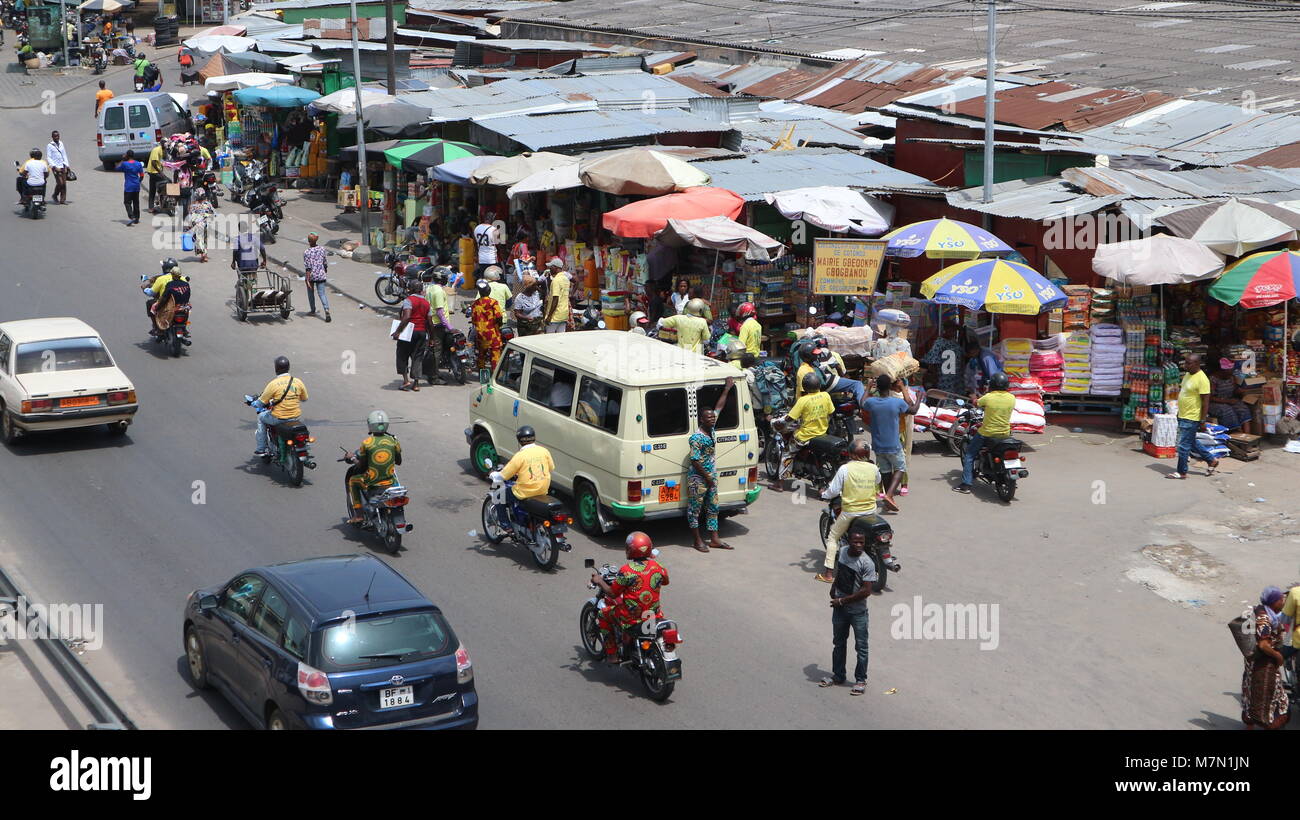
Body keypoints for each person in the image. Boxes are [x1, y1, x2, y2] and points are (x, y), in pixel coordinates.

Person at [820, 440, 896, 584]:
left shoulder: (845, 469)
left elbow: (834, 490)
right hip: (870, 510)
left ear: (852, 454)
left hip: (851, 512)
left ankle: (828, 574)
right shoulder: (873, 468)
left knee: (832, 537)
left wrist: (824, 494)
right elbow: (877, 481)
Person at [590, 532, 670, 664]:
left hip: (631, 618)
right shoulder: (658, 567)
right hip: (654, 615)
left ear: (630, 550)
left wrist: (599, 581)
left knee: (603, 614)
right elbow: (665, 581)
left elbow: (612, 593)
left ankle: (612, 654)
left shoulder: (626, 571)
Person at [819, 528, 876, 696]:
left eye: (862, 543)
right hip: (839, 609)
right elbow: (841, 572)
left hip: (857, 612)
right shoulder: (843, 552)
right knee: (839, 643)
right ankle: (838, 676)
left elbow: (866, 591)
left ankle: (860, 680)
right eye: (856, 542)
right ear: (848, 542)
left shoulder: (867, 563)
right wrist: (833, 587)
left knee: (861, 647)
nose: (859, 545)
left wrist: (842, 600)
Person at [686, 377, 736, 553]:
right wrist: (707, 477)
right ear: (701, 420)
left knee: (714, 508)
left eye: (713, 418)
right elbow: (694, 460)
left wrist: (727, 389)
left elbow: (719, 407)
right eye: (708, 418)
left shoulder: (712, 429)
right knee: (695, 511)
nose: (712, 419)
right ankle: (697, 540)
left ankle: (714, 539)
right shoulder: (696, 438)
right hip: (698, 479)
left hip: (710, 478)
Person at [861, 374, 920, 510]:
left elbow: (862, 403)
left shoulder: (872, 402)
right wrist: (917, 397)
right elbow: (913, 409)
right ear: (890, 387)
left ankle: (889, 498)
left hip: (878, 445)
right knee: (900, 468)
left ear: (877, 387)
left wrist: (868, 388)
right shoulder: (896, 403)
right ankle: (889, 494)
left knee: (886, 471)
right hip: (893, 444)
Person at [954, 371, 1016, 493]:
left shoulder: (988, 397)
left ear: (992, 384)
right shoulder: (1012, 398)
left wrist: (973, 398)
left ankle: (966, 485)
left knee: (970, 455)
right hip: (1005, 433)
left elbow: (977, 403)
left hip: (987, 433)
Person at [772, 371, 833, 491]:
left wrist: (778, 422)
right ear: (819, 385)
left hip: (804, 436)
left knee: (787, 453)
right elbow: (831, 413)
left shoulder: (803, 400)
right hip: (822, 433)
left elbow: (790, 418)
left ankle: (779, 484)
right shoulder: (826, 395)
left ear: (804, 387)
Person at [1242, 586, 1290, 729]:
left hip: (1253, 661)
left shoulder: (1259, 610)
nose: (1283, 602)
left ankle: (1249, 724)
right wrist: (1278, 656)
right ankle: (1269, 724)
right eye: (1281, 600)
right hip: (1263, 663)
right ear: (1273, 601)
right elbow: (1263, 645)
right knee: (1279, 699)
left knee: (1251, 691)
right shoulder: (1264, 619)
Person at [343, 410, 402, 525]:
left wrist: (352, 458)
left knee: (353, 481)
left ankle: (359, 515)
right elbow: (399, 461)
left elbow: (362, 466)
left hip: (373, 482)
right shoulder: (393, 441)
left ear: (370, 425)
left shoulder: (367, 443)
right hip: (390, 481)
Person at [1168, 352, 1220, 480]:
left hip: (1192, 417)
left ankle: (1181, 472)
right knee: (1190, 442)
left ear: (1197, 364)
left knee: (1183, 445)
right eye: (1185, 362)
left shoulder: (1203, 379)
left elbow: (1206, 402)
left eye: (1189, 363)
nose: (1186, 365)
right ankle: (1211, 460)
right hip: (1183, 414)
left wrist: (1202, 420)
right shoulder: (1187, 375)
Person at [253, 356, 307, 458]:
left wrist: (254, 403)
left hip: (279, 418)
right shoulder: (298, 382)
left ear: (276, 369)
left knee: (261, 417)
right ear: (288, 367)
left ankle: (261, 448)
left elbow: (260, 403)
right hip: (295, 417)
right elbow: (304, 398)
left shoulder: (273, 384)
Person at [496, 424, 554, 507]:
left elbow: (504, 475)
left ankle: (503, 520)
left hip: (525, 492)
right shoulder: (544, 451)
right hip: (542, 490)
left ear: (519, 440)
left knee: (498, 497)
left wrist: (494, 474)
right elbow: (551, 468)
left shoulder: (520, 456)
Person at [392, 279, 430, 392]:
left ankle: (405, 380)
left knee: (402, 355)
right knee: (417, 357)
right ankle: (416, 384)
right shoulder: (426, 303)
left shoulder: (409, 300)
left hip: (409, 332)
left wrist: (398, 331)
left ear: (411, 289)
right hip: (422, 333)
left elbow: (407, 317)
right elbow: (429, 321)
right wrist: (431, 337)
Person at [422, 268, 453, 383]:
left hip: (430, 323)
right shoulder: (439, 291)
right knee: (436, 351)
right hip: (437, 324)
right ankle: (433, 377)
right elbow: (440, 312)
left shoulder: (430, 288)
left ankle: (433, 371)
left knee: (433, 348)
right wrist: (450, 327)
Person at [922, 319, 966, 395]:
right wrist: (935, 377)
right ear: (946, 330)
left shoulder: (954, 342)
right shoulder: (939, 343)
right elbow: (933, 362)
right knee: (946, 399)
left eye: (955, 331)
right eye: (951, 330)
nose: (953, 332)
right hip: (945, 378)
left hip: (956, 377)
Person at [471, 280, 505, 373]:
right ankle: (495, 375)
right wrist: (499, 325)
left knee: (481, 355)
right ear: (489, 291)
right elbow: (499, 316)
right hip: (493, 334)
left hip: (481, 335)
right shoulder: (493, 302)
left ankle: (482, 375)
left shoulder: (475, 304)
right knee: (495, 355)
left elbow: (473, 319)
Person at [1209, 358, 1251, 432]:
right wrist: (1227, 401)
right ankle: (1236, 434)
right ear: (1221, 371)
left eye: (1231, 371)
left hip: (1229, 400)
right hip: (1215, 403)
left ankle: (1248, 435)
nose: (1230, 373)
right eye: (1228, 372)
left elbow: (1234, 390)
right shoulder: (1213, 379)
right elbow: (1210, 398)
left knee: (1243, 408)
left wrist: (1239, 391)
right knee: (1227, 410)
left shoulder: (1232, 377)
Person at [149, 263, 191, 336]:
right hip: (184, 306)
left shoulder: (170, 284)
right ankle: (184, 329)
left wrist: (158, 306)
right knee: (188, 310)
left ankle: (157, 329)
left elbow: (164, 297)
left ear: (172, 274)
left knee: (153, 308)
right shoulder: (186, 284)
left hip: (172, 307)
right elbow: (188, 295)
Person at [302, 232, 330, 322]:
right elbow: (325, 262)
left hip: (312, 276)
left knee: (311, 293)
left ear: (309, 241)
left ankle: (313, 310)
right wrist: (325, 270)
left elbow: (308, 267)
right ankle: (326, 309)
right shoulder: (322, 249)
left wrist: (307, 279)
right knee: (322, 294)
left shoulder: (307, 252)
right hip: (321, 274)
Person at [542, 258, 572, 333]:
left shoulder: (556, 281)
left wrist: (549, 316)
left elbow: (555, 299)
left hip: (555, 316)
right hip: (564, 314)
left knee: (550, 339)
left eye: (551, 267)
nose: (549, 269)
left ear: (556, 268)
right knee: (560, 339)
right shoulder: (566, 279)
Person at [186, 187, 214, 263]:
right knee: (204, 240)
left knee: (199, 240)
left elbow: (190, 216)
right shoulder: (208, 204)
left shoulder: (193, 205)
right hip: (207, 225)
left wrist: (189, 226)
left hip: (197, 226)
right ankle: (204, 255)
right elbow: (213, 214)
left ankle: (203, 255)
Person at [42, 130, 68, 206]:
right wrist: (54, 166)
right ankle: (55, 195)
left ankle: (63, 200)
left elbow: (64, 154)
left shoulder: (61, 143)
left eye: (58, 136)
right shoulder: (50, 145)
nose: (57, 137)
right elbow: (49, 157)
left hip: (62, 165)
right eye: (55, 136)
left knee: (64, 184)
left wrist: (67, 165)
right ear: (52, 137)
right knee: (60, 183)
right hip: (55, 167)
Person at [118, 148, 142, 225]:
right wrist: (138, 182)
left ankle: (132, 217)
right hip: (136, 186)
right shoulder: (138, 164)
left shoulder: (125, 164)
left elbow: (117, 167)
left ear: (127, 156)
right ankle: (137, 218)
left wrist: (122, 159)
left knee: (127, 202)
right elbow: (141, 175)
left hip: (128, 187)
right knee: (136, 203)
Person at [473, 212, 499, 278]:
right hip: (491, 258)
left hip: (481, 258)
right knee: (492, 278)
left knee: (483, 278)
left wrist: (476, 255)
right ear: (493, 219)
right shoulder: (494, 230)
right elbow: (498, 245)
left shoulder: (477, 228)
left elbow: (475, 243)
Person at [145, 141, 165, 214]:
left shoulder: (163, 150)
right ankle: (162, 203)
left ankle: (151, 207)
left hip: (154, 172)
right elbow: (153, 162)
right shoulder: (156, 150)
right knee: (166, 183)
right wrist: (160, 172)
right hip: (154, 172)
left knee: (152, 189)